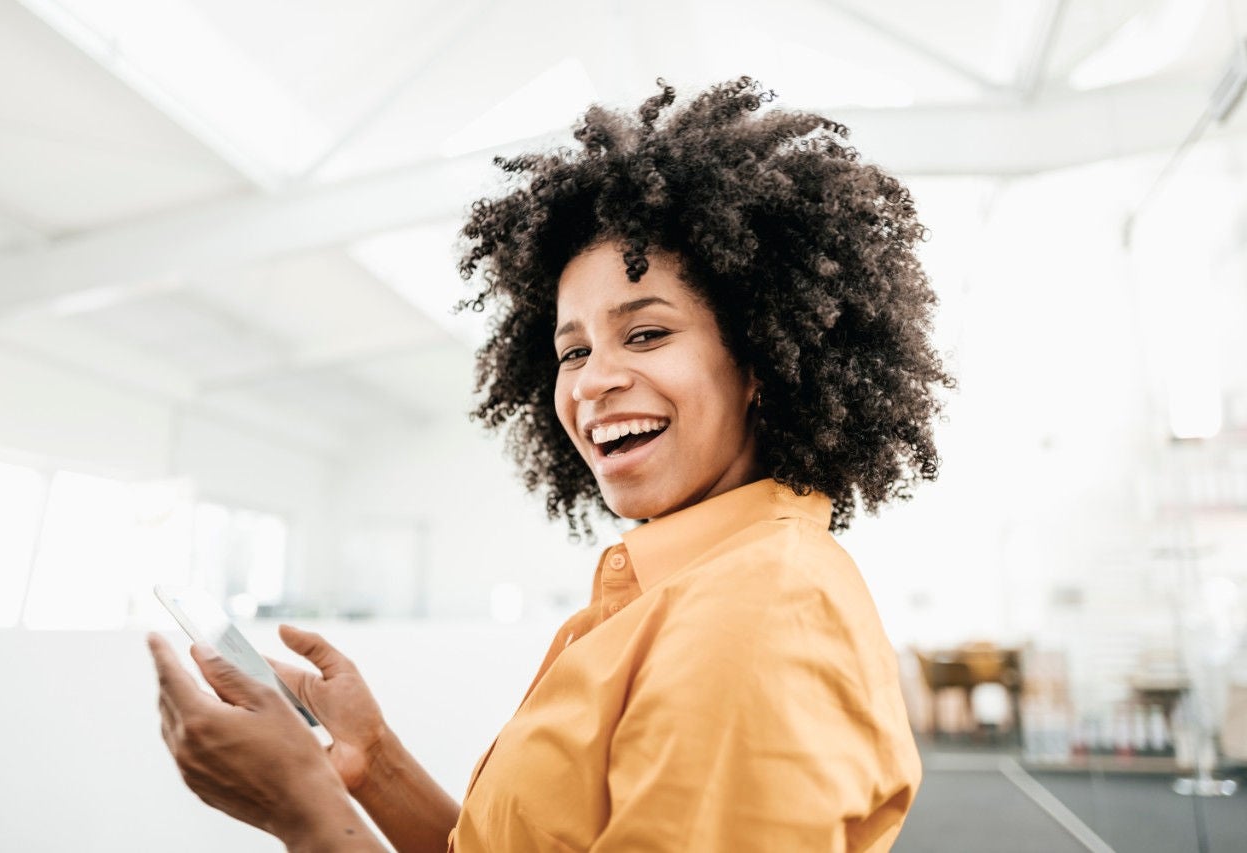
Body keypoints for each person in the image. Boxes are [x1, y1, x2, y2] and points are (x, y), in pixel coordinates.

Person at [148, 77, 952, 852]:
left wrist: (305, 810)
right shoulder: (663, 592)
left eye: (645, 334)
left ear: (761, 364)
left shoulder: (762, 610)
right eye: (573, 350)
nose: (594, 380)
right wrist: (373, 761)